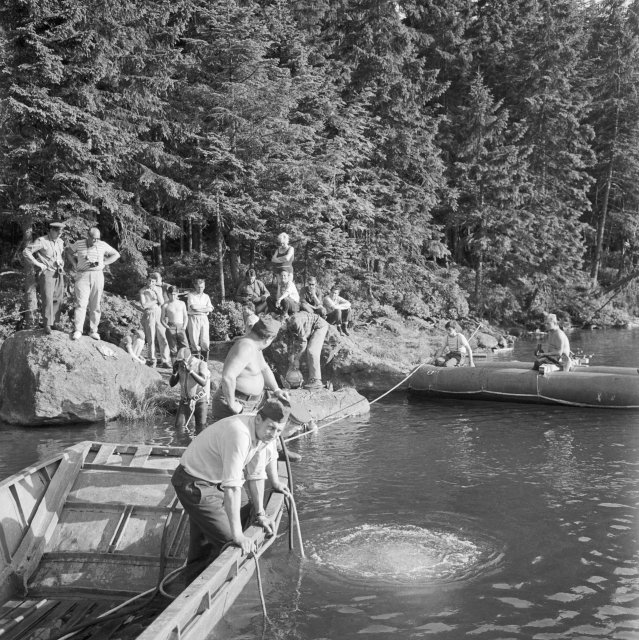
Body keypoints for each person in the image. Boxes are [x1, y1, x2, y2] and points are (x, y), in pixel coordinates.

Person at [171, 398, 291, 582]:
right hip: (194, 483)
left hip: (217, 481)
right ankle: (197, 585)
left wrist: (261, 514)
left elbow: (257, 475)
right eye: (271, 428)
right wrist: (238, 536)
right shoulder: (239, 434)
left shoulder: (263, 433)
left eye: (278, 431)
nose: (274, 434)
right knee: (229, 540)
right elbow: (233, 488)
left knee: (246, 512)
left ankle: (196, 573)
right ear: (258, 418)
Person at [210, 316, 290, 420]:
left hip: (251, 403)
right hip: (236, 403)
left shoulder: (255, 346)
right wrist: (233, 404)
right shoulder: (245, 347)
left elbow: (264, 368)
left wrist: (277, 390)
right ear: (268, 338)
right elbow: (228, 377)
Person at [66, 226, 120, 341]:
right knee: (81, 303)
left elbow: (116, 254)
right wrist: (74, 264)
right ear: (88, 236)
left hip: (97, 275)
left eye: (98, 238)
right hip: (82, 275)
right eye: (94, 238)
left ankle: (93, 330)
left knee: (95, 305)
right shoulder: (79, 243)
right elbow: (68, 252)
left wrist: (105, 262)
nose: (96, 241)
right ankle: (78, 330)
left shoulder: (102, 244)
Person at [22, 220, 66, 334]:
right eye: (57, 232)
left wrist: (61, 262)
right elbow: (26, 251)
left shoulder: (60, 241)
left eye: (61, 232)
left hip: (58, 272)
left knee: (58, 298)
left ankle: (54, 323)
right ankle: (47, 324)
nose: (60, 234)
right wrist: (38, 264)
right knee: (47, 298)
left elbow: (59, 255)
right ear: (51, 230)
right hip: (47, 273)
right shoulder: (42, 241)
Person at [170, 346, 211, 435]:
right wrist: (174, 372)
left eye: (182, 361)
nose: (180, 363)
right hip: (184, 401)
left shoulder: (201, 364)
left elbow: (203, 382)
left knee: (201, 428)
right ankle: (182, 446)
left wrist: (191, 371)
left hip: (200, 401)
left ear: (188, 359)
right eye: (178, 361)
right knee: (178, 427)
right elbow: (172, 384)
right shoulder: (179, 365)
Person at [285, 311, 329, 390]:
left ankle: (316, 380)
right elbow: (290, 343)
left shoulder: (295, 321)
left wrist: (297, 359)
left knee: (312, 350)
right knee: (299, 352)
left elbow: (303, 341)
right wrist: (291, 359)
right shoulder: (287, 326)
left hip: (319, 326)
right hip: (309, 330)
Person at [139, 274, 171, 368]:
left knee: (162, 336)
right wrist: (155, 301)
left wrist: (156, 294)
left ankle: (165, 360)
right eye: (149, 281)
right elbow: (144, 305)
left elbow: (161, 302)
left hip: (159, 313)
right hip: (149, 313)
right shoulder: (143, 290)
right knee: (151, 337)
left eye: (153, 281)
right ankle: (152, 359)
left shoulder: (159, 289)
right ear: (146, 280)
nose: (151, 283)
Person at [187, 278, 214, 362]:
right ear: (195, 286)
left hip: (204, 319)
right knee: (194, 340)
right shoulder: (191, 295)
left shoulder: (206, 296)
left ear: (204, 286)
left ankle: (204, 362)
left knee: (205, 340)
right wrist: (205, 308)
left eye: (202, 287)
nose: (200, 289)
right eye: (198, 287)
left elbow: (211, 308)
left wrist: (201, 309)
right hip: (194, 318)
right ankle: (195, 362)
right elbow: (193, 308)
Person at [161, 285, 189, 360]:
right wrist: (167, 327)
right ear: (168, 294)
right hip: (171, 326)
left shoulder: (182, 303)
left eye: (174, 294)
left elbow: (185, 316)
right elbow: (162, 319)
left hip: (181, 326)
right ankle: (175, 368)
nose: (173, 296)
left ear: (177, 294)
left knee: (185, 346)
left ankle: (185, 366)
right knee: (173, 348)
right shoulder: (165, 305)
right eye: (171, 295)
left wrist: (184, 326)